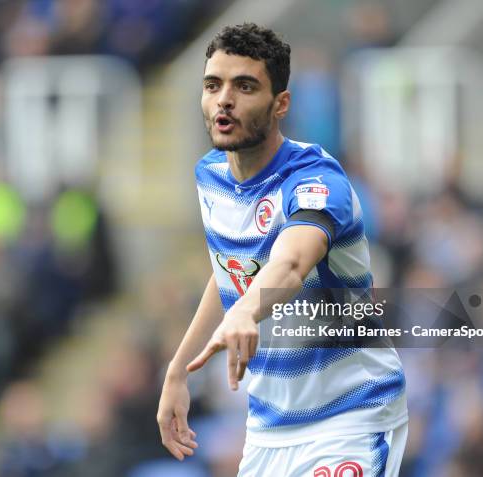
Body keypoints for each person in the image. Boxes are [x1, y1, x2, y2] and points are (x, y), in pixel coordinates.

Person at [157, 23, 408, 476]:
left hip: (350, 417)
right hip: (269, 429)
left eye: (245, 86)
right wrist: (178, 371)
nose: (224, 100)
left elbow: (290, 264)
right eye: (213, 85)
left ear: (280, 104)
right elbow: (230, 270)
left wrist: (246, 311)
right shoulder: (211, 177)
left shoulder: (316, 180)